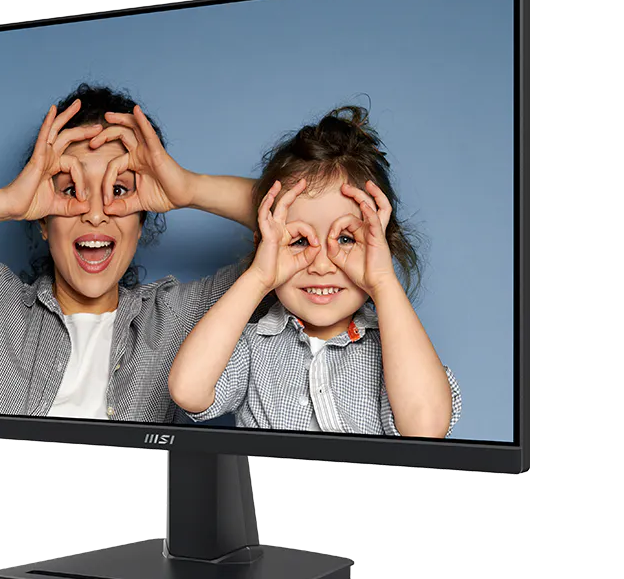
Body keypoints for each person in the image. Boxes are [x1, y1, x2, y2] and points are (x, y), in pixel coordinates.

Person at [0, 83, 256, 423]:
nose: (95, 213)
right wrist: (7, 202)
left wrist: (188, 189)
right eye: (70, 191)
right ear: (41, 220)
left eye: (118, 189)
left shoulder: (180, 319)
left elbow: (300, 229)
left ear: (142, 220)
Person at [168, 105, 462, 437]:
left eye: (346, 238)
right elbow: (187, 390)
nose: (321, 265)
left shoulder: (394, 348)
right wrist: (259, 276)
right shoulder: (254, 346)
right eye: (298, 241)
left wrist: (382, 281)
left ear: (381, 248)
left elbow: (426, 428)